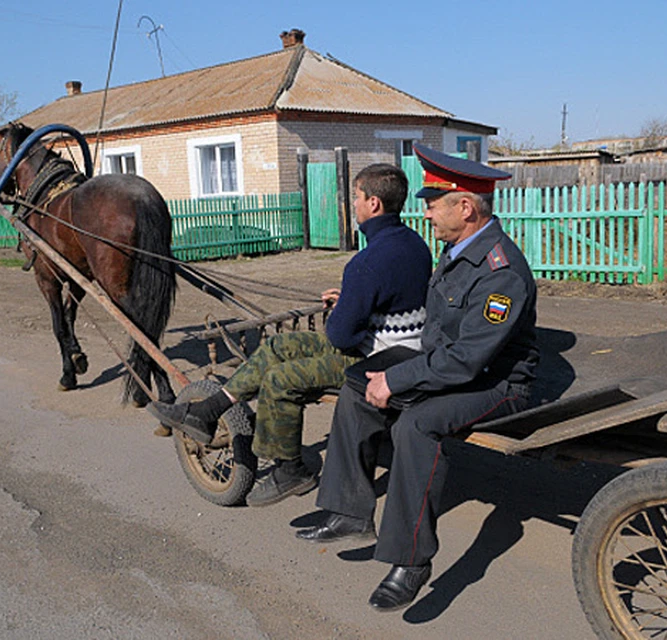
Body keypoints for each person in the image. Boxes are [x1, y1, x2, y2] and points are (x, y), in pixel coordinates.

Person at [295, 144, 539, 612]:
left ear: (464, 207)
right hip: (454, 364)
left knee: (417, 424)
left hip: (499, 384)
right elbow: (441, 335)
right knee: (358, 381)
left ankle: (411, 560)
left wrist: (400, 380)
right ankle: (350, 509)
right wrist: (387, 370)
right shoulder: (457, 250)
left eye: (433, 203)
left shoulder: (500, 272)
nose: (425, 213)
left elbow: (469, 360)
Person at [148, 163, 432, 507]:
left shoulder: (367, 262)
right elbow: (394, 295)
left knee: (281, 379)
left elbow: (341, 336)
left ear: (374, 204)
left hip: (376, 359)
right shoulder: (414, 243)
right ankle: (209, 409)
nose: (352, 204)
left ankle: (291, 469)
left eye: (356, 197)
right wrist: (352, 300)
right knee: (279, 344)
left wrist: (344, 309)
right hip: (401, 346)